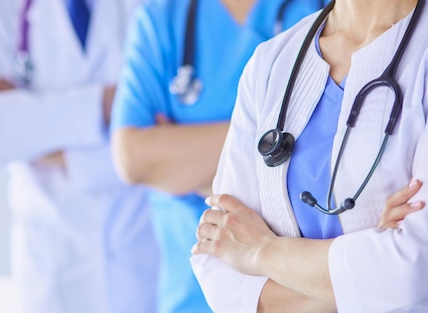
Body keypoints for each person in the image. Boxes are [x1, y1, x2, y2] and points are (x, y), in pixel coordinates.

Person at [190, 0, 428, 311]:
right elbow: (221, 262)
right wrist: (367, 271)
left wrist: (259, 250)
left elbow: (417, 271)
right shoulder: (272, 61)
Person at [109, 0, 328, 311]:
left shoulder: (321, 11)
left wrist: (185, 160)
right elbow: (133, 159)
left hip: (300, 289)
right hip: (191, 296)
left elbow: (338, 156)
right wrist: (283, 147)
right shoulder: (162, 19)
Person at [0, 0, 159, 312]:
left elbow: (166, 126)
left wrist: (46, 141)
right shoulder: (6, 7)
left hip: (146, 245)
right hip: (53, 256)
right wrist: (103, 103)